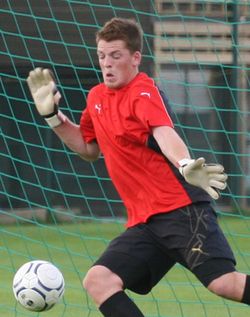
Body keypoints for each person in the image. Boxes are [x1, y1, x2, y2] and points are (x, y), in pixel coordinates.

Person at [27, 17, 249, 317]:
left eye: (116, 56)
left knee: (224, 283)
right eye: (102, 56)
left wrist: (184, 163)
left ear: (135, 58)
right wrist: (53, 117)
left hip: (182, 211)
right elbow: (88, 148)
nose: (107, 63)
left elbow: (164, 133)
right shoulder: (96, 98)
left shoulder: (143, 91)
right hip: (145, 223)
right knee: (99, 281)